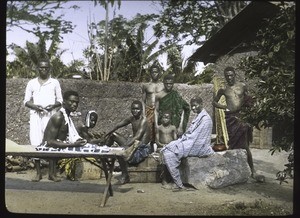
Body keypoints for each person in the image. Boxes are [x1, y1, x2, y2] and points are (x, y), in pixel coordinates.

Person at [161, 97, 215, 191]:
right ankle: (173, 181)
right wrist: (179, 141)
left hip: (199, 146)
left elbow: (196, 138)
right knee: (168, 147)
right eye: (192, 106)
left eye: (195, 105)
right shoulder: (198, 116)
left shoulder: (206, 119)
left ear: (202, 104)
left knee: (169, 152)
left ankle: (178, 184)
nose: (193, 108)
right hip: (193, 142)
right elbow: (190, 133)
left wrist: (181, 143)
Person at [32, 90, 88, 182]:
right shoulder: (58, 117)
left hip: (57, 145)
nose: (74, 104)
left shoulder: (67, 117)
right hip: (47, 147)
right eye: (72, 101)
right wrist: (73, 145)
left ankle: (52, 174)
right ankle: (51, 174)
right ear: (64, 102)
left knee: (87, 145)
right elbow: (50, 142)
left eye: (76, 102)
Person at [23, 58, 63, 181]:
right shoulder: (32, 83)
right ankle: (38, 173)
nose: (44, 70)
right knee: (35, 142)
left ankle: (52, 174)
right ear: (37, 69)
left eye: (46, 68)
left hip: (50, 116)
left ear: (49, 69)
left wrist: (53, 106)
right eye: (41, 67)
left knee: (50, 142)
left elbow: (60, 101)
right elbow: (26, 101)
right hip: (35, 116)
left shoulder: (54, 82)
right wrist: (35, 106)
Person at [212, 67, 255, 177]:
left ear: (235, 75)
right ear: (225, 77)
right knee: (232, 144)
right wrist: (224, 107)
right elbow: (214, 102)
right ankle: (234, 171)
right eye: (227, 76)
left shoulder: (243, 86)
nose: (229, 78)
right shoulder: (223, 90)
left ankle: (252, 170)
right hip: (230, 118)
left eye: (231, 75)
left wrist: (249, 114)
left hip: (242, 118)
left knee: (245, 145)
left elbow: (249, 100)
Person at [104, 100, 151, 184]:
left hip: (141, 148)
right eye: (133, 109)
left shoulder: (144, 121)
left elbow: (137, 137)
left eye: (137, 109)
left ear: (141, 110)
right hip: (133, 145)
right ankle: (104, 157)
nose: (135, 111)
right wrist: (106, 135)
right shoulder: (131, 118)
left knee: (121, 152)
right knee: (113, 135)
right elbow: (118, 125)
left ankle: (125, 176)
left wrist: (125, 146)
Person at [142, 62, 164, 149]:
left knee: (159, 131)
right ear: (150, 74)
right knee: (149, 132)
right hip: (149, 110)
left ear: (159, 73)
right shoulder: (146, 86)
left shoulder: (163, 86)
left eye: (156, 72)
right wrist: (143, 114)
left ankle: (160, 150)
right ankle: (150, 150)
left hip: (159, 111)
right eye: (153, 72)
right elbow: (143, 101)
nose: (154, 74)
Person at [155, 110, 177, 187]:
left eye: (167, 118)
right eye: (164, 117)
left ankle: (172, 177)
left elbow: (175, 140)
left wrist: (170, 146)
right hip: (161, 147)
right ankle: (164, 178)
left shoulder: (173, 128)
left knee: (174, 156)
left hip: (171, 147)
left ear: (170, 119)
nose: (165, 119)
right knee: (163, 155)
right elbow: (157, 141)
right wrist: (163, 145)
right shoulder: (159, 128)